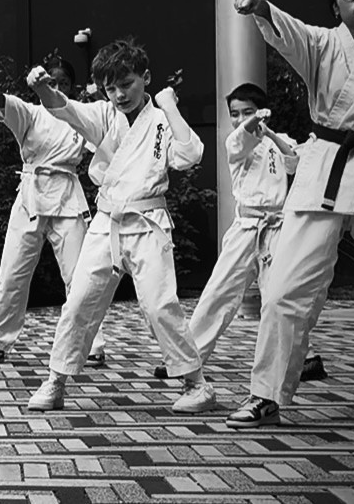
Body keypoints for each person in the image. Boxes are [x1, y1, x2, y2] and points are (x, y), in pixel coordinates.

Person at [226, 0, 354, 427]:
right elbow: (287, 31)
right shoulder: (322, 43)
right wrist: (261, 6)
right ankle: (266, 393)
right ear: (336, 5)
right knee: (286, 288)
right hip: (323, 171)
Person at [25, 38, 216, 414]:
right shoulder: (103, 115)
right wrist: (42, 86)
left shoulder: (162, 120)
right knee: (79, 300)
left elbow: (191, 154)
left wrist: (170, 106)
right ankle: (56, 381)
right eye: (110, 87)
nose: (118, 94)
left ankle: (198, 385)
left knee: (160, 305)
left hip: (148, 222)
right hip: (106, 222)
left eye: (126, 84)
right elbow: (65, 108)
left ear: (145, 78)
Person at [153, 84, 325, 381]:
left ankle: (302, 358)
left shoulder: (280, 139)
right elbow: (239, 140)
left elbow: (294, 163)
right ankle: (186, 358)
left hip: (278, 230)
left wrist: (269, 132)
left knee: (278, 298)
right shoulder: (235, 141)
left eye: (247, 111)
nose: (240, 118)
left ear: (263, 111)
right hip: (245, 228)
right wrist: (251, 124)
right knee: (218, 293)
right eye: (235, 113)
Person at [0, 57, 106, 367]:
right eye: (51, 83)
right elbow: (14, 107)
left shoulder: (79, 114)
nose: (56, 88)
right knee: (12, 272)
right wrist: (0, 97)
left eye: (62, 84)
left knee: (79, 274)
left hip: (67, 196)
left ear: (71, 87)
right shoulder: (32, 112)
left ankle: (90, 343)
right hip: (31, 194)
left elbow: (103, 135)